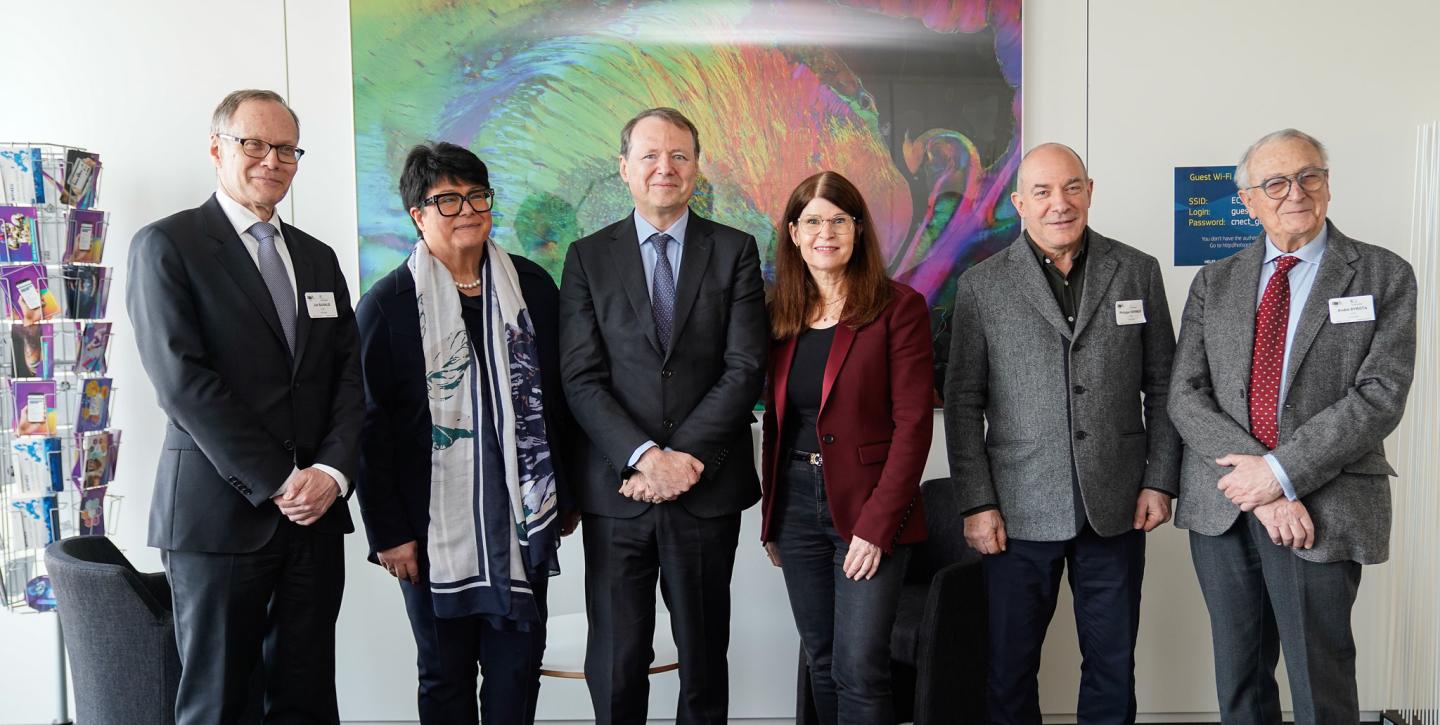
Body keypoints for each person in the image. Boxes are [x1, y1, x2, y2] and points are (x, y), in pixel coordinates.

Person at [125, 89, 363, 724]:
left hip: (315, 518)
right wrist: (282, 480)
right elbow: (184, 383)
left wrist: (331, 475)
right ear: (216, 149)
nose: (272, 160)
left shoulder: (317, 257)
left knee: (307, 699)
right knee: (220, 703)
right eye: (253, 144)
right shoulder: (168, 245)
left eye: (286, 149)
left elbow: (348, 379)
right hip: (217, 519)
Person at [1170, 129, 1416, 724]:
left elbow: (1380, 395)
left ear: (1327, 184)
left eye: (1309, 176)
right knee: (1240, 682)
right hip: (1225, 506)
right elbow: (1185, 393)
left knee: (1320, 682)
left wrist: (1280, 473)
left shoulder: (1382, 274)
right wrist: (1261, 484)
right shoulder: (1215, 280)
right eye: (1275, 183)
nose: (1295, 193)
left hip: (1323, 504)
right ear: (1248, 201)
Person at [943, 143, 1181, 724]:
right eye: (1043, 192)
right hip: (1016, 510)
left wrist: (1160, 480)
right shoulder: (982, 285)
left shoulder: (1138, 270)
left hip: (1117, 505)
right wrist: (976, 502)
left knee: (1112, 665)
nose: (1060, 203)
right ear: (1019, 203)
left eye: (1072, 187)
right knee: (1010, 667)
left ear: (1090, 191)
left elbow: (1164, 385)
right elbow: (963, 401)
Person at [354, 141, 577, 723]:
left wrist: (564, 494)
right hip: (428, 531)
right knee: (444, 676)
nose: (468, 210)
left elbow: (559, 399)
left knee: (517, 672)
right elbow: (370, 429)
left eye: (477, 195)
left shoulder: (532, 287)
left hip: (521, 517)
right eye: (447, 200)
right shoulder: (387, 306)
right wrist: (389, 532)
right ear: (417, 215)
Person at [558, 107, 767, 725]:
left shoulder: (734, 251)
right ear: (624, 167)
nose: (664, 167)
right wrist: (647, 458)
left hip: (706, 487)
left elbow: (744, 367)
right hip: (618, 489)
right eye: (649, 155)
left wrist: (685, 459)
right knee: (618, 659)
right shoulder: (587, 257)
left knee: (703, 657)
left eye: (679, 155)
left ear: (697, 167)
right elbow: (581, 377)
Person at [758, 171, 932, 725]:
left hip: (869, 505)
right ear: (793, 233)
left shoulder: (898, 307)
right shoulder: (779, 313)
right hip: (795, 506)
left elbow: (914, 427)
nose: (825, 233)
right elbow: (777, 423)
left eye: (839, 220)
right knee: (822, 658)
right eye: (812, 221)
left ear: (858, 229)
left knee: (860, 669)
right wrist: (772, 517)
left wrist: (877, 527)